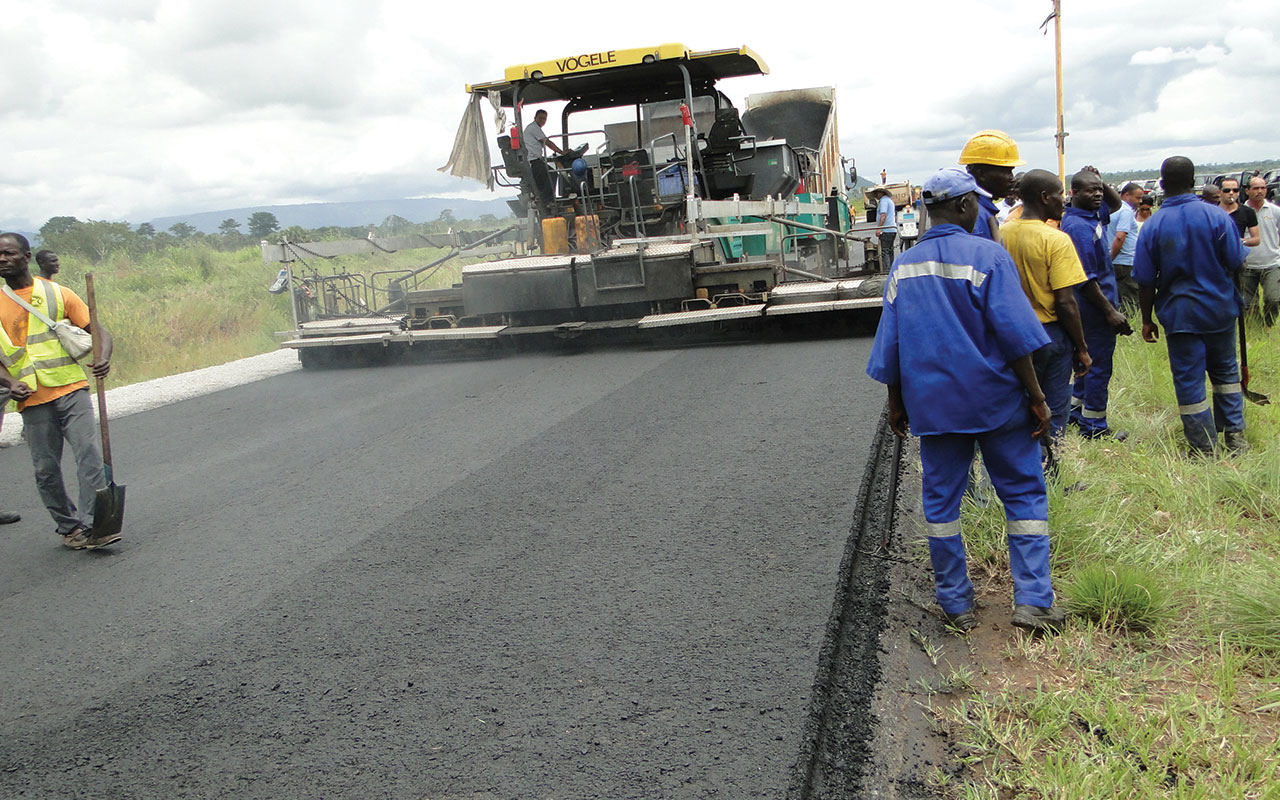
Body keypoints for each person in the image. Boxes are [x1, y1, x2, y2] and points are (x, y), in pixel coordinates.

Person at [866, 167, 1064, 634]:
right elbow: (1017, 339)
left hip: (935, 408)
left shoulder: (904, 266)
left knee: (940, 506)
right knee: (1022, 495)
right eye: (974, 201)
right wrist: (1037, 397)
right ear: (962, 206)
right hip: (997, 404)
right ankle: (1034, 601)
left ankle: (956, 603)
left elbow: (890, 343)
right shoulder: (988, 257)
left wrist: (897, 403)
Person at [0, 233, 119, 549]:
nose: (2, 259)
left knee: (88, 456)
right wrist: (10, 384)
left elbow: (98, 331)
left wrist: (103, 358)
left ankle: (96, 526)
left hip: (71, 389)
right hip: (33, 401)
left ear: (26, 256)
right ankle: (69, 528)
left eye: (8, 253)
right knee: (46, 471)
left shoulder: (57, 293)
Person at [1133, 157, 1248, 456]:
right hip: (1220, 310)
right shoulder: (1218, 217)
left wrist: (1147, 320)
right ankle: (1234, 437)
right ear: (1193, 181)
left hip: (1180, 315)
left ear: (1161, 184)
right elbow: (1237, 260)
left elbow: (1146, 280)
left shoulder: (1152, 225)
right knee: (1226, 374)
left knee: (1189, 379)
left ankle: (1203, 447)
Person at [999, 169, 1092, 475]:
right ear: (1044, 198)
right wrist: (1081, 347)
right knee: (1053, 407)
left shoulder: (1001, 234)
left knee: (1019, 405)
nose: (1063, 201)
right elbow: (1066, 302)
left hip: (1011, 336)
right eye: (1059, 195)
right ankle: (1050, 475)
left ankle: (1019, 472)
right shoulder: (1056, 240)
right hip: (1049, 335)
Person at [1061, 169, 1133, 440]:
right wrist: (1110, 312)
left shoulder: (1092, 215)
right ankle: (1095, 426)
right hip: (1091, 308)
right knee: (1098, 364)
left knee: (1087, 364)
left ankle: (1077, 412)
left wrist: (1098, 179)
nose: (1098, 194)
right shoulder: (1077, 227)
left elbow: (1114, 204)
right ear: (1074, 193)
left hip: (1097, 304)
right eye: (1090, 190)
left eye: (1099, 189)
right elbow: (1084, 278)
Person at [957, 129, 1024, 242]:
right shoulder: (974, 215)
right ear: (981, 174)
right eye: (1006, 171)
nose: (1012, 178)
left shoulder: (980, 209)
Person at [1241, 174, 1280, 325]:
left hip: (1272, 263)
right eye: (1255, 188)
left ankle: (1269, 325)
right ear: (1247, 191)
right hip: (1247, 265)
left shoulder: (1275, 211)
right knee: (1249, 305)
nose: (1260, 191)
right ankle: (1258, 332)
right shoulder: (1241, 212)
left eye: (1263, 188)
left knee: (1274, 299)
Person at [1108, 183, 1144, 308]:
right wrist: (1110, 258)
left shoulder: (1112, 209)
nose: (1140, 201)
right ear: (1127, 195)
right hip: (1125, 261)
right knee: (1131, 302)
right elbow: (1120, 237)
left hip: (1117, 261)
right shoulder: (1125, 211)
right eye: (1137, 198)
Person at [523, 109, 564, 209]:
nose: (542, 120)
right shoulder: (533, 128)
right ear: (535, 118)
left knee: (542, 182)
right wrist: (561, 152)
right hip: (533, 160)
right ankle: (545, 200)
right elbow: (547, 142)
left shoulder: (534, 128)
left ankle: (543, 199)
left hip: (536, 159)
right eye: (540, 118)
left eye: (544, 119)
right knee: (553, 174)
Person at [1219, 177, 1260, 247]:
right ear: (1219, 192)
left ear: (1239, 192)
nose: (1231, 193)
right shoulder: (1211, 211)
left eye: (1235, 190)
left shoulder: (1248, 212)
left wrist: (1240, 241)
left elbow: (1256, 239)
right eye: (1227, 190)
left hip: (1237, 255)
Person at [874, 185, 898, 266]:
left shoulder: (883, 202)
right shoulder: (889, 201)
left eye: (877, 193)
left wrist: (879, 228)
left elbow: (883, 215)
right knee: (890, 250)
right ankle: (892, 268)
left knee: (885, 251)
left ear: (881, 193)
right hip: (892, 229)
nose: (876, 195)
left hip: (886, 230)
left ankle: (887, 270)